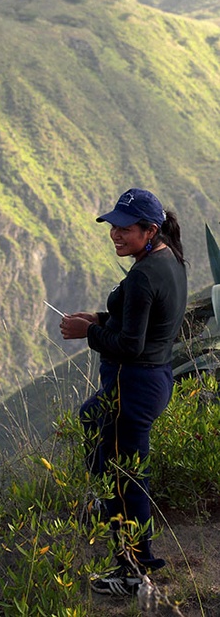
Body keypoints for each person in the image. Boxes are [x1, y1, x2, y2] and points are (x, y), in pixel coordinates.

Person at [59, 187, 187, 597]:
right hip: (153, 380)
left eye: (125, 229)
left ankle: (133, 573)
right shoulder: (167, 259)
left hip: (134, 386)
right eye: (113, 226)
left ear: (149, 230)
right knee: (91, 418)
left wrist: (88, 332)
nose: (116, 234)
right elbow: (142, 320)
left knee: (127, 480)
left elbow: (131, 345)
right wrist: (98, 316)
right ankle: (103, 505)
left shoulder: (144, 274)